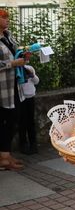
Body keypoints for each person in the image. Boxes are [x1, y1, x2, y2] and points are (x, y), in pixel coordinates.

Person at [0, 9, 25, 170]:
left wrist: (23, 55)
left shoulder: (8, 35)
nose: (7, 20)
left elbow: (15, 52)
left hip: (13, 85)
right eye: (4, 17)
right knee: (3, 122)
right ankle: (3, 158)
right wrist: (12, 64)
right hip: (2, 89)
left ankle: (6, 154)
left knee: (12, 120)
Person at [18, 65, 40, 155]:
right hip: (21, 98)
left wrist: (32, 75)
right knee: (22, 121)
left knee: (31, 121)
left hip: (31, 97)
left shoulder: (29, 68)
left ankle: (33, 144)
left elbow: (37, 81)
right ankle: (23, 144)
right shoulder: (17, 70)